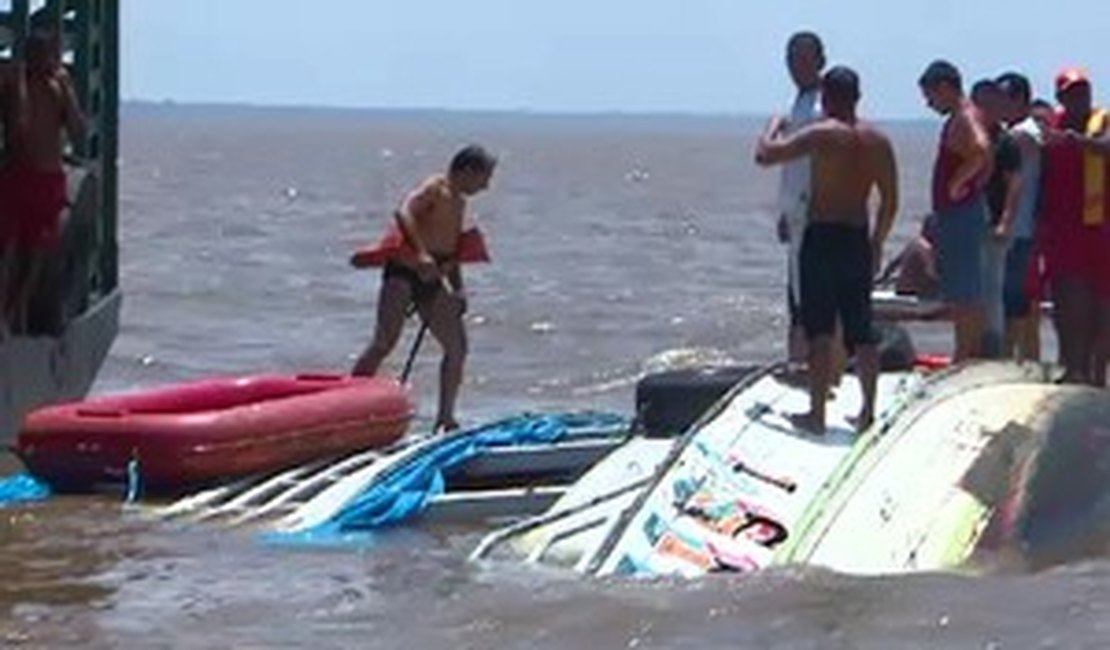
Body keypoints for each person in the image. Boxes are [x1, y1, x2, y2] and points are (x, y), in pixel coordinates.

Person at [757, 66, 898, 433]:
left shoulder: (821, 134)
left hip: (822, 237)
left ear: (828, 98)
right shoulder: (878, 141)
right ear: (858, 96)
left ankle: (817, 414)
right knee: (861, 331)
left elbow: (765, 155)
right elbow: (890, 201)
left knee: (819, 329)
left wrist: (774, 126)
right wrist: (878, 241)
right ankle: (867, 411)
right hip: (857, 236)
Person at [351, 145, 496, 433]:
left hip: (433, 279)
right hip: (405, 272)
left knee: (457, 346)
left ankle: (445, 417)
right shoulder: (435, 187)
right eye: (484, 178)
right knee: (384, 342)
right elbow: (404, 212)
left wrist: (459, 290)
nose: (486, 186)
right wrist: (420, 254)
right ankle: (348, 402)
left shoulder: (459, 202)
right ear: (467, 171)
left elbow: (453, 251)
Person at [0, 30, 84, 337]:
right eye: (40, 55)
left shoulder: (58, 86)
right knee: (9, 245)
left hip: (48, 178)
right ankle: (4, 313)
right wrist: (21, 79)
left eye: (49, 55)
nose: (47, 61)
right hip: (19, 175)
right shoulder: (13, 80)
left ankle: (16, 310)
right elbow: (18, 127)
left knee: (38, 250)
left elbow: (77, 130)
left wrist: (67, 90)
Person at [1039, 69, 1110, 385]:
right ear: (1061, 98)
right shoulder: (1049, 125)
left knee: (1102, 306)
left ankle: (1097, 374)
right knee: (1068, 303)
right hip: (1063, 231)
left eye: (1083, 91)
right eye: (1071, 93)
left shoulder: (1102, 121)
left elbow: (1105, 146)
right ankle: (1073, 367)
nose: (1079, 98)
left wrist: (1074, 140)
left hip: (1099, 228)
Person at [919, 60, 992, 361]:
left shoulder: (964, 117)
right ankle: (967, 355)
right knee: (964, 292)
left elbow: (981, 149)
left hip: (961, 216)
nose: (928, 103)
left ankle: (965, 357)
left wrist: (957, 183)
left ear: (946, 88)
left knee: (965, 296)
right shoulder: (966, 116)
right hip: (960, 214)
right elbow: (986, 160)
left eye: (931, 95)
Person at [775, 32, 825, 365]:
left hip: (818, 213)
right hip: (795, 212)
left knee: (813, 297)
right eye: (792, 61)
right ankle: (799, 361)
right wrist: (784, 212)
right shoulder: (799, 102)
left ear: (820, 61)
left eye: (805, 60)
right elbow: (792, 167)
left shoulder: (822, 106)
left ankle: (813, 366)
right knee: (796, 293)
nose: (798, 67)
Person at [971, 79, 1023, 358]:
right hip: (967, 225)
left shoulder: (1006, 142)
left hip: (993, 226)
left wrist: (1006, 221)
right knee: (968, 291)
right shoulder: (965, 136)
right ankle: (971, 347)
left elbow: (1015, 184)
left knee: (993, 291)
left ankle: (994, 351)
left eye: (991, 104)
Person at [997, 72, 1044, 362]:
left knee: (1015, 309)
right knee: (1025, 309)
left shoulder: (1021, 134)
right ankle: (1026, 362)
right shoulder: (1031, 131)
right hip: (1025, 229)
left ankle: (1011, 363)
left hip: (1019, 230)